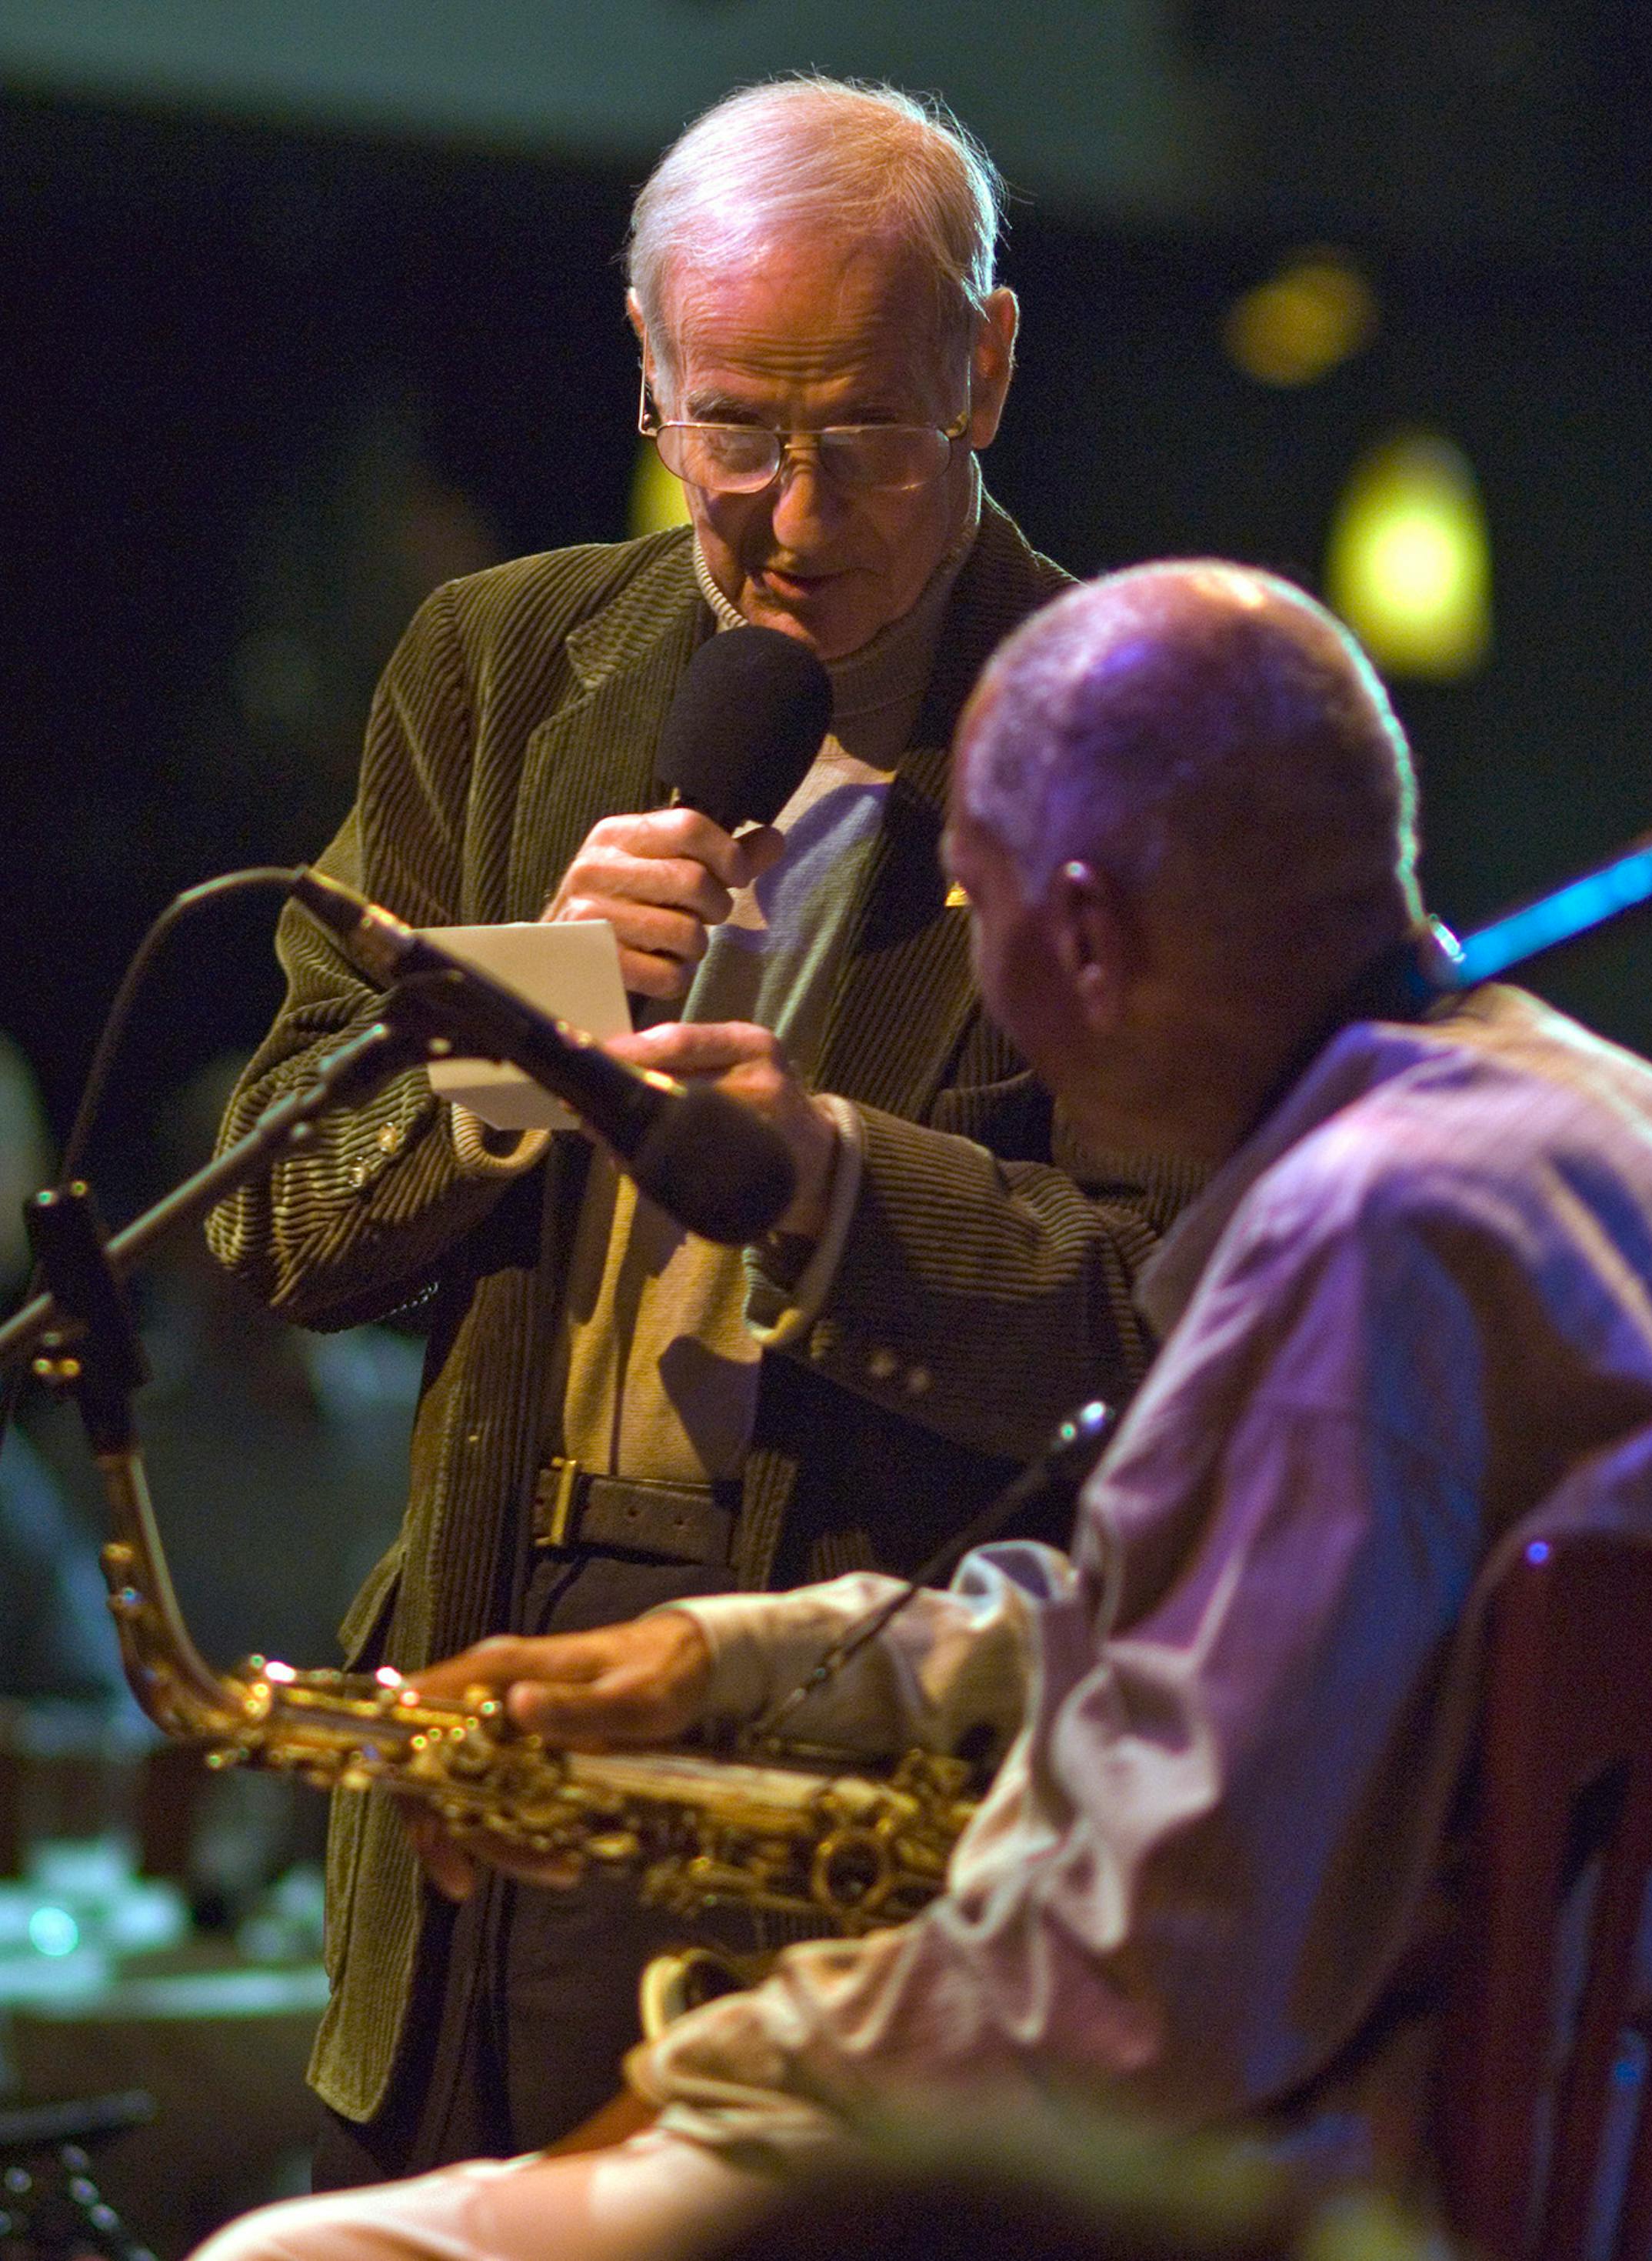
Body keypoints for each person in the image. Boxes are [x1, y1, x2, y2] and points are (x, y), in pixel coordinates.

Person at [192, 562, 1652, 2261]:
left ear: (1087, 932)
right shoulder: (1572, 1114)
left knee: (301, 2254)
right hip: (1536, 2122)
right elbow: (1234, 1624)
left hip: (1289, 2177)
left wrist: (710, 2070)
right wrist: (738, 1662)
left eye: (977, 903)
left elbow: (1137, 1991)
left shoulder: (1364, 1240)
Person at [209, 78, 1201, 2176]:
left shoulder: (1138, 735)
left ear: (991, 369)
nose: (792, 513)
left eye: (865, 433)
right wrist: (537, 1011)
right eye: (732, 427)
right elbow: (279, 1222)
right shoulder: (499, 665)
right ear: (645, 373)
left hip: (878, 1745)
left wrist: (835, 1183)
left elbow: (1186, 1326)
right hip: (497, 1679)